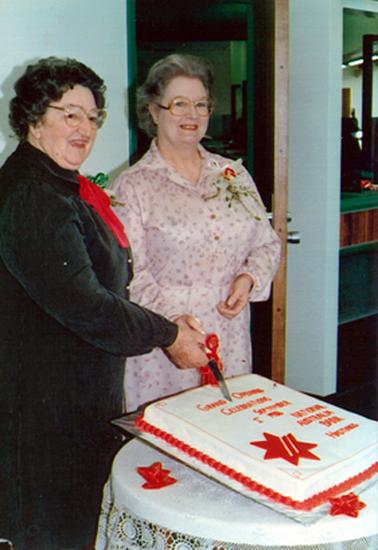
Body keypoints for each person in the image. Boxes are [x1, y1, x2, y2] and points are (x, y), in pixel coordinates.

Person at [0, 57, 208, 550]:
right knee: (55, 533)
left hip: (71, 400)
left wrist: (163, 324)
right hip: (45, 414)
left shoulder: (60, 185)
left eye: (92, 117)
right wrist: (169, 334)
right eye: (69, 113)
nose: (84, 128)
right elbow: (88, 304)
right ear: (33, 117)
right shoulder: (33, 197)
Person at [112, 54, 281, 412]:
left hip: (229, 336)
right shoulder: (133, 187)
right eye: (179, 104)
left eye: (201, 104)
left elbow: (267, 242)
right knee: (169, 446)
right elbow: (130, 274)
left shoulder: (233, 175)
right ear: (154, 111)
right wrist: (174, 327)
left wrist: (249, 278)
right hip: (165, 342)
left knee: (225, 436)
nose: (192, 115)